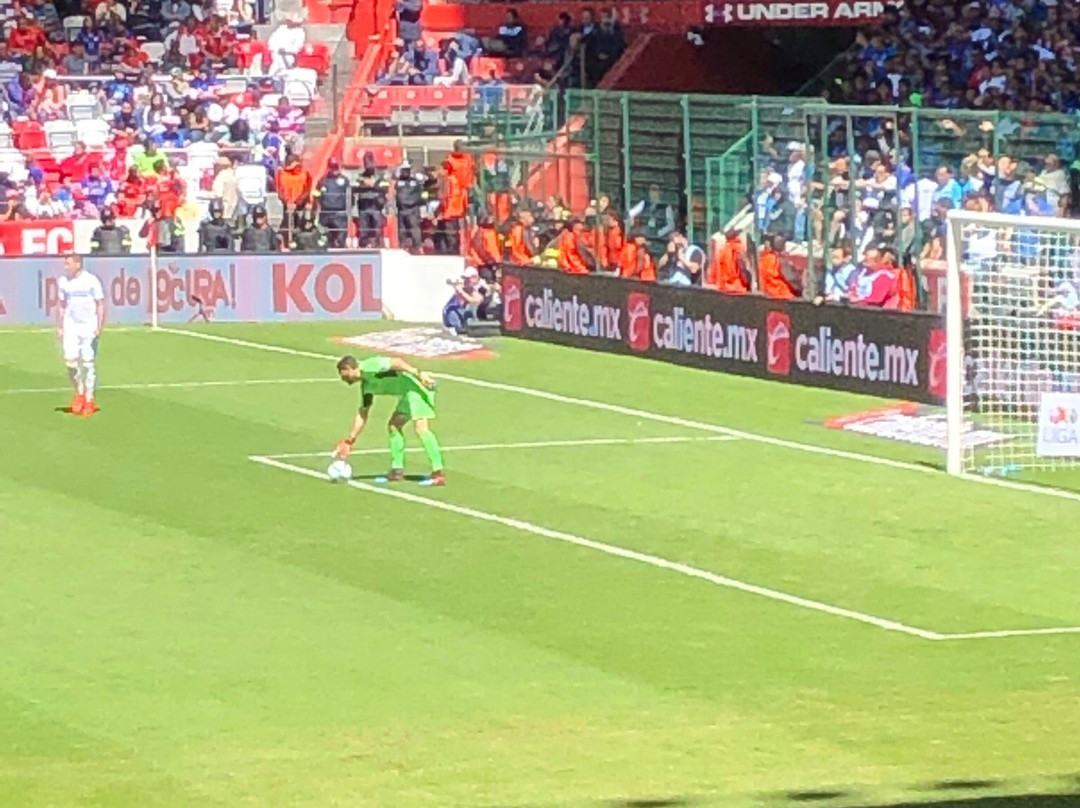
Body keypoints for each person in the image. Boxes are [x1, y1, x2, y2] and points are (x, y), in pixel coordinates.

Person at [334, 354, 446, 487]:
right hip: (407, 395)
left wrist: (419, 374)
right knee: (394, 425)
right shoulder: (367, 387)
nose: (344, 379)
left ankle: (438, 473)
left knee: (421, 429)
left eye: (344, 375)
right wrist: (350, 440)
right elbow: (363, 413)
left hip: (417, 390)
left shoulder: (370, 366)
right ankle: (397, 470)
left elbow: (397, 362)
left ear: (349, 368)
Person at [57, 254, 105, 417]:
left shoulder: (91, 280)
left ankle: (89, 399)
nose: (66, 267)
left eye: (68, 263)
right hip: (71, 325)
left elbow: (100, 304)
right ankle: (79, 392)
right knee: (70, 362)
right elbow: (62, 305)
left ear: (78, 264)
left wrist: (99, 325)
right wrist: (60, 326)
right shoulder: (63, 281)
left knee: (87, 364)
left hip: (88, 326)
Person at [313, 159, 350, 249]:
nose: (334, 170)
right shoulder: (322, 180)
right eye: (332, 167)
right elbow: (316, 194)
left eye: (335, 167)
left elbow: (350, 196)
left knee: (340, 238)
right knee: (324, 237)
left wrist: (347, 210)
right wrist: (316, 205)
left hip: (340, 213)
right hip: (325, 212)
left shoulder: (344, 180)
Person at [354, 153, 388, 248]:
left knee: (378, 229)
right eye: (366, 162)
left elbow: (385, 187)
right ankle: (363, 245)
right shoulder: (359, 176)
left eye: (370, 162)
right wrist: (365, 184)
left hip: (376, 206)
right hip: (363, 206)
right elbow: (354, 187)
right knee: (363, 229)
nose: (368, 164)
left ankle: (379, 245)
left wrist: (374, 185)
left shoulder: (380, 176)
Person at [443, 267, 487, 335]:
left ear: (475, 278)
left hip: (476, 317)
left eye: (468, 279)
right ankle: (456, 328)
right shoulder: (463, 288)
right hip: (461, 315)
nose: (465, 281)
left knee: (470, 308)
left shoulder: (481, 288)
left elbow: (476, 301)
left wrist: (461, 293)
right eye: (465, 279)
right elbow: (460, 303)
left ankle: (464, 329)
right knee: (451, 310)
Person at [759, 234, 801, 299]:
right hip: (782, 295)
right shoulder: (781, 260)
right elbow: (792, 280)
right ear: (782, 247)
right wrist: (800, 291)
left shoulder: (763, 259)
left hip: (768, 294)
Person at [394, 162, 424, 251]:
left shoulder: (415, 181)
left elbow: (421, 193)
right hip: (402, 209)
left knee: (414, 229)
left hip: (413, 209)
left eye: (407, 170)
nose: (406, 172)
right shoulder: (398, 181)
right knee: (402, 229)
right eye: (404, 170)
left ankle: (417, 247)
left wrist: (417, 203)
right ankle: (403, 246)